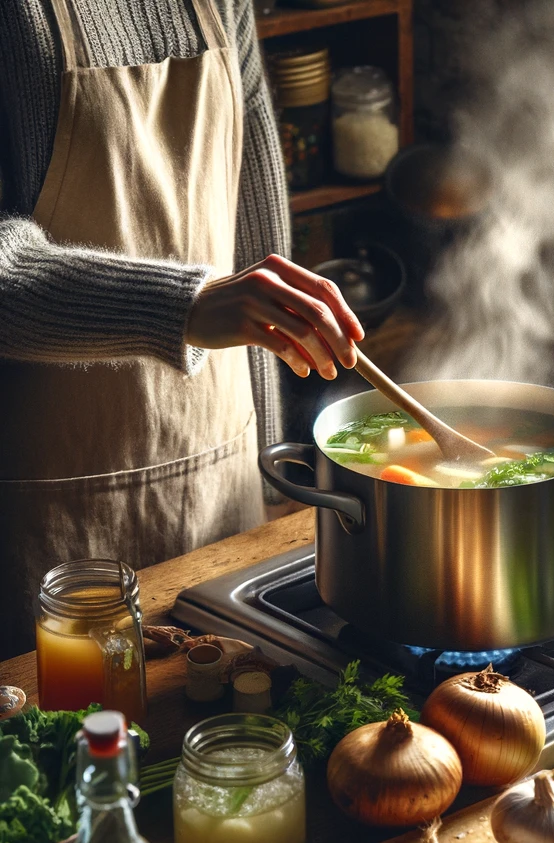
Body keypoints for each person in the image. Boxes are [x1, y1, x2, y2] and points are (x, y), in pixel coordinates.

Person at [0, 0, 363, 657]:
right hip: (54, 513)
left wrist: (273, 468)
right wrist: (184, 306)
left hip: (222, 479)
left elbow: (255, 226)